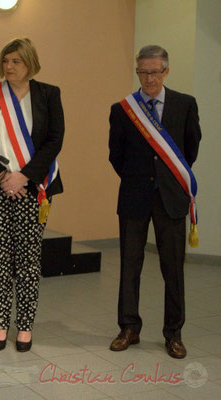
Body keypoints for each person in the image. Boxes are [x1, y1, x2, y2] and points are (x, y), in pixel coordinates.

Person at [0, 38, 64, 352]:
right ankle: (0, 323)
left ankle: (24, 326)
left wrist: (24, 176)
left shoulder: (48, 94)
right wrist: (2, 176)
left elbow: (54, 140)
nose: (8, 67)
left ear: (30, 64)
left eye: (15, 62)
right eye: (5, 61)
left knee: (27, 260)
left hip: (32, 188)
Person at [108, 45, 201, 359]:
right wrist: (139, 179)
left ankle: (173, 334)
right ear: (138, 72)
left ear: (166, 71)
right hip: (134, 197)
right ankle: (128, 328)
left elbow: (190, 150)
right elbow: (115, 155)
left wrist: (167, 179)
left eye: (155, 71)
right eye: (143, 72)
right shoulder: (122, 109)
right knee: (129, 266)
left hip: (171, 199)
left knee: (173, 268)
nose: (149, 78)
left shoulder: (185, 105)